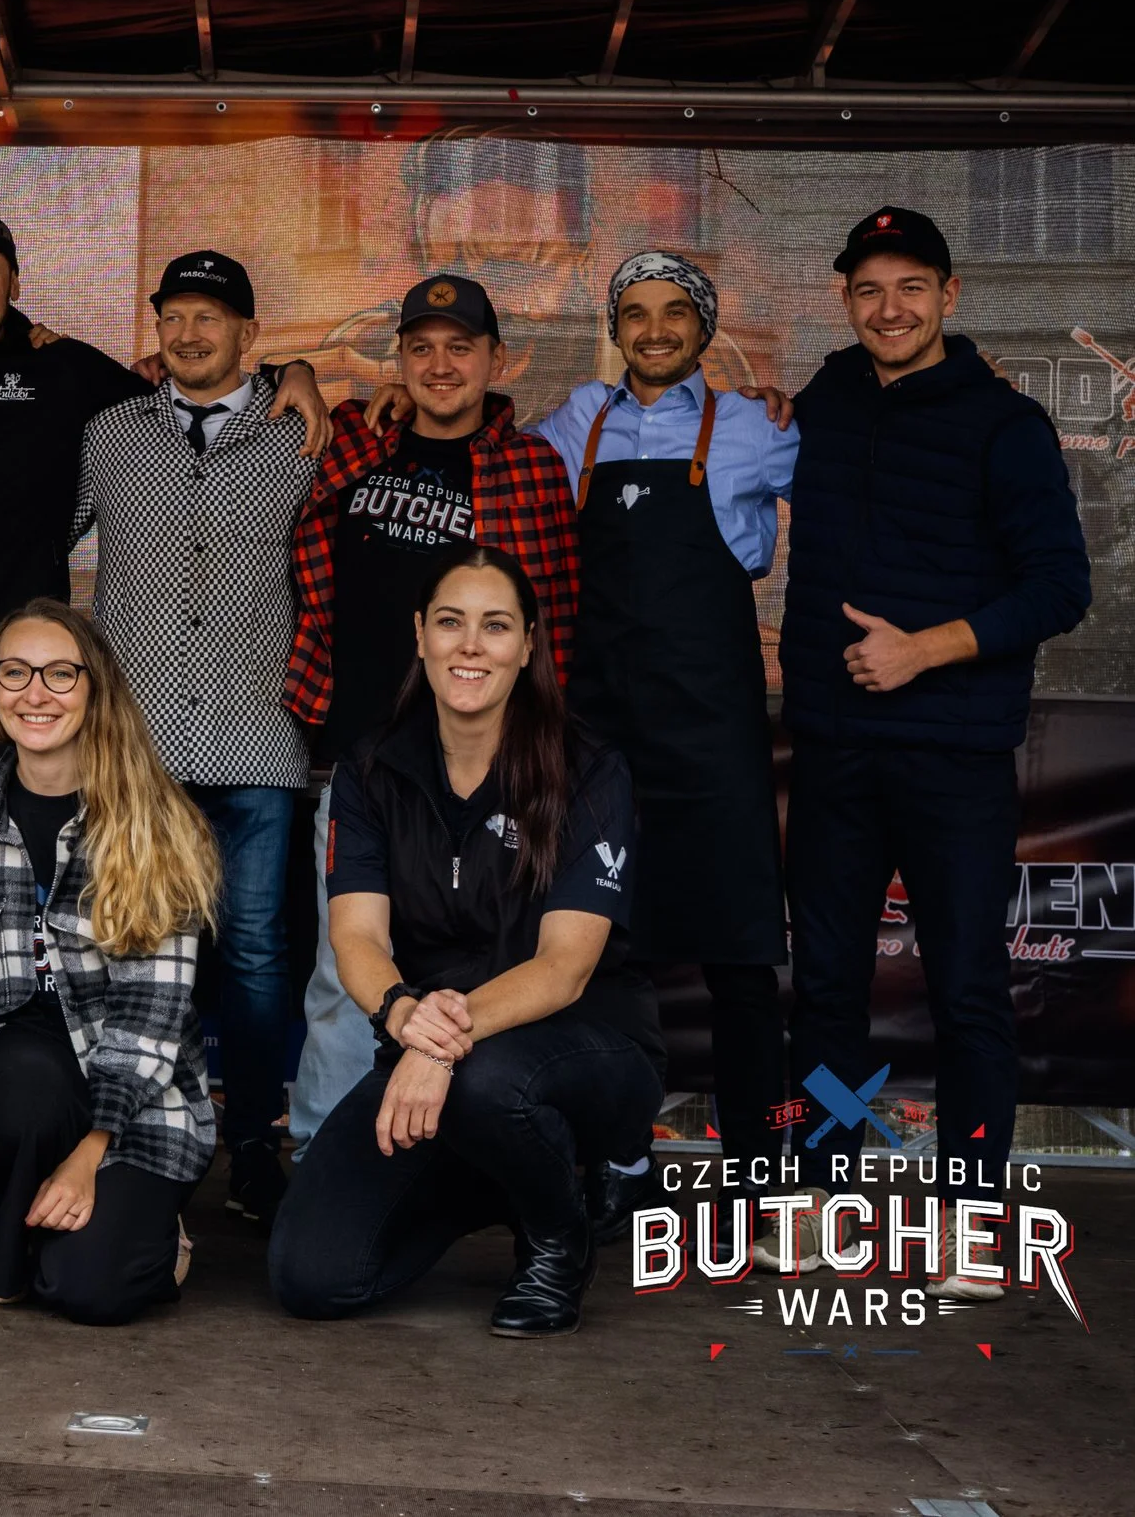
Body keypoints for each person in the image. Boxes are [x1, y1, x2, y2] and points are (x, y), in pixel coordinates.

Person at [778, 207, 1089, 1295]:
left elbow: (1062, 586)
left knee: (965, 985)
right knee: (823, 984)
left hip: (951, 750)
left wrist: (926, 650)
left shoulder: (1006, 423)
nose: (889, 307)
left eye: (911, 286)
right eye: (868, 288)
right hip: (831, 747)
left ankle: (967, 1219)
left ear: (949, 296)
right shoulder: (819, 401)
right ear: (845, 300)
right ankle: (818, 1196)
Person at [270, 545, 659, 1338]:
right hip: (432, 1039)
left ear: (528, 643)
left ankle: (558, 1237)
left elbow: (565, 966)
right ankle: (499, 1178)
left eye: (495, 625)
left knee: (487, 1083)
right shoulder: (372, 769)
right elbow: (356, 936)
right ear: (420, 635)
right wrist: (404, 1015)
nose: (470, 645)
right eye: (450, 623)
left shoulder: (589, 769)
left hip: (583, 1048)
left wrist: (439, 1044)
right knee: (312, 1274)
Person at [0, 206, 328, 776]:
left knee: (15, 860)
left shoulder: (65, 368)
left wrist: (289, 370)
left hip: (30, 688)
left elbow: (192, 387)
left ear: (13, 282)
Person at [283, 274, 580, 1163]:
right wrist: (292, 365)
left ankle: (493, 1154)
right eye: (421, 347)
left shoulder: (532, 467)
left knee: (498, 962)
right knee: (346, 974)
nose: (440, 364)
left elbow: (555, 627)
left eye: (460, 347)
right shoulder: (351, 446)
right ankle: (326, 1155)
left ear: (497, 359)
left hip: (490, 772)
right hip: (361, 766)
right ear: (398, 360)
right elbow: (223, 378)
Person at [530, 251, 798, 1238]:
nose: (651, 329)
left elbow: (863, 487)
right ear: (615, 325)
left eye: (672, 312)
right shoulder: (575, 423)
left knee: (740, 967)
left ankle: (760, 1188)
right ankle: (618, 1164)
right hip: (600, 738)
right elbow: (493, 468)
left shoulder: (758, 429)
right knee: (602, 954)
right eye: (633, 313)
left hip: (714, 737)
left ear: (703, 325)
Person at [0, 600, 218, 1324]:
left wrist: (91, 1153)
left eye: (60, 673)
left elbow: (150, 1015)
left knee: (88, 1289)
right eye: (16, 671)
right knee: (20, 1097)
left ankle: (146, 1225)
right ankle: (5, 1216)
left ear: (94, 687)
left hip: (130, 1091)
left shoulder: (156, 822)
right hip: (9, 1076)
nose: (35, 692)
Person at [72, 250, 316, 1222]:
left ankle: (255, 1145)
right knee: (141, 952)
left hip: (259, 741)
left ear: (250, 335)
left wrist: (306, 376)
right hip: (140, 750)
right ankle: (143, 1145)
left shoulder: (299, 434)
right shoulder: (108, 434)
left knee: (257, 955)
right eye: (172, 315)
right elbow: (31, 530)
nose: (188, 333)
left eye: (209, 317)